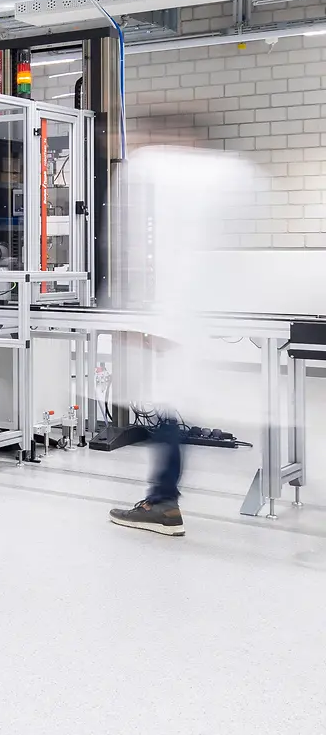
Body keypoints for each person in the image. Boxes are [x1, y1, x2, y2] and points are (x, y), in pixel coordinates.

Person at [107, 145, 262, 537]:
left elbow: (171, 272)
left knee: (170, 417)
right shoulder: (203, 194)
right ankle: (161, 499)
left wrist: (151, 329)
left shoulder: (176, 207)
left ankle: (162, 504)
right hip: (184, 327)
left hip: (178, 329)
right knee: (169, 416)